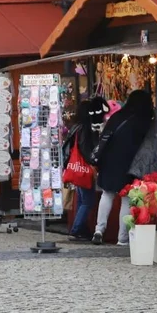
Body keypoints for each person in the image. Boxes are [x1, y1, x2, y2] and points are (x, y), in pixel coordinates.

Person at [90, 89, 154, 247]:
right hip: (129, 163)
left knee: (107, 194)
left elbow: (104, 137)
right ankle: (122, 238)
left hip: (109, 161)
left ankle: (99, 230)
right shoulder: (144, 121)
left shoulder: (117, 116)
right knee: (126, 198)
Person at [63, 100, 100, 242]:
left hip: (76, 168)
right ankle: (76, 229)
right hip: (83, 168)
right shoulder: (85, 128)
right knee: (88, 201)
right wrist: (92, 164)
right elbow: (85, 149)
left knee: (81, 199)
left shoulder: (75, 127)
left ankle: (82, 229)